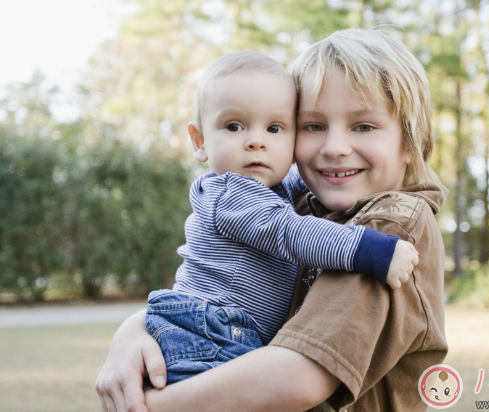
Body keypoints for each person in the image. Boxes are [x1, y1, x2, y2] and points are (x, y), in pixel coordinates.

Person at [96, 27, 448, 412]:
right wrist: (133, 331)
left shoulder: (390, 226)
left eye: (363, 126)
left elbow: (297, 377)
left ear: (411, 142)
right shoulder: (299, 205)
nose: (333, 148)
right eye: (313, 126)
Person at [145, 50, 417, 384]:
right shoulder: (230, 194)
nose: (257, 141)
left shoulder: (277, 188)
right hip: (207, 333)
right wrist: (373, 250)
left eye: (275, 128)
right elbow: (288, 231)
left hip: (229, 334)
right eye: (234, 126)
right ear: (200, 142)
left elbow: (313, 179)